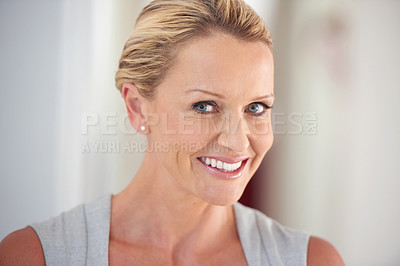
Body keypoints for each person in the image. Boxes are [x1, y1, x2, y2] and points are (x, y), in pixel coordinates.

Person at [0, 0, 345, 265]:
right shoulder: (34, 256)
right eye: (205, 106)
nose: (238, 142)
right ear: (137, 107)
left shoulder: (311, 260)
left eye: (256, 107)